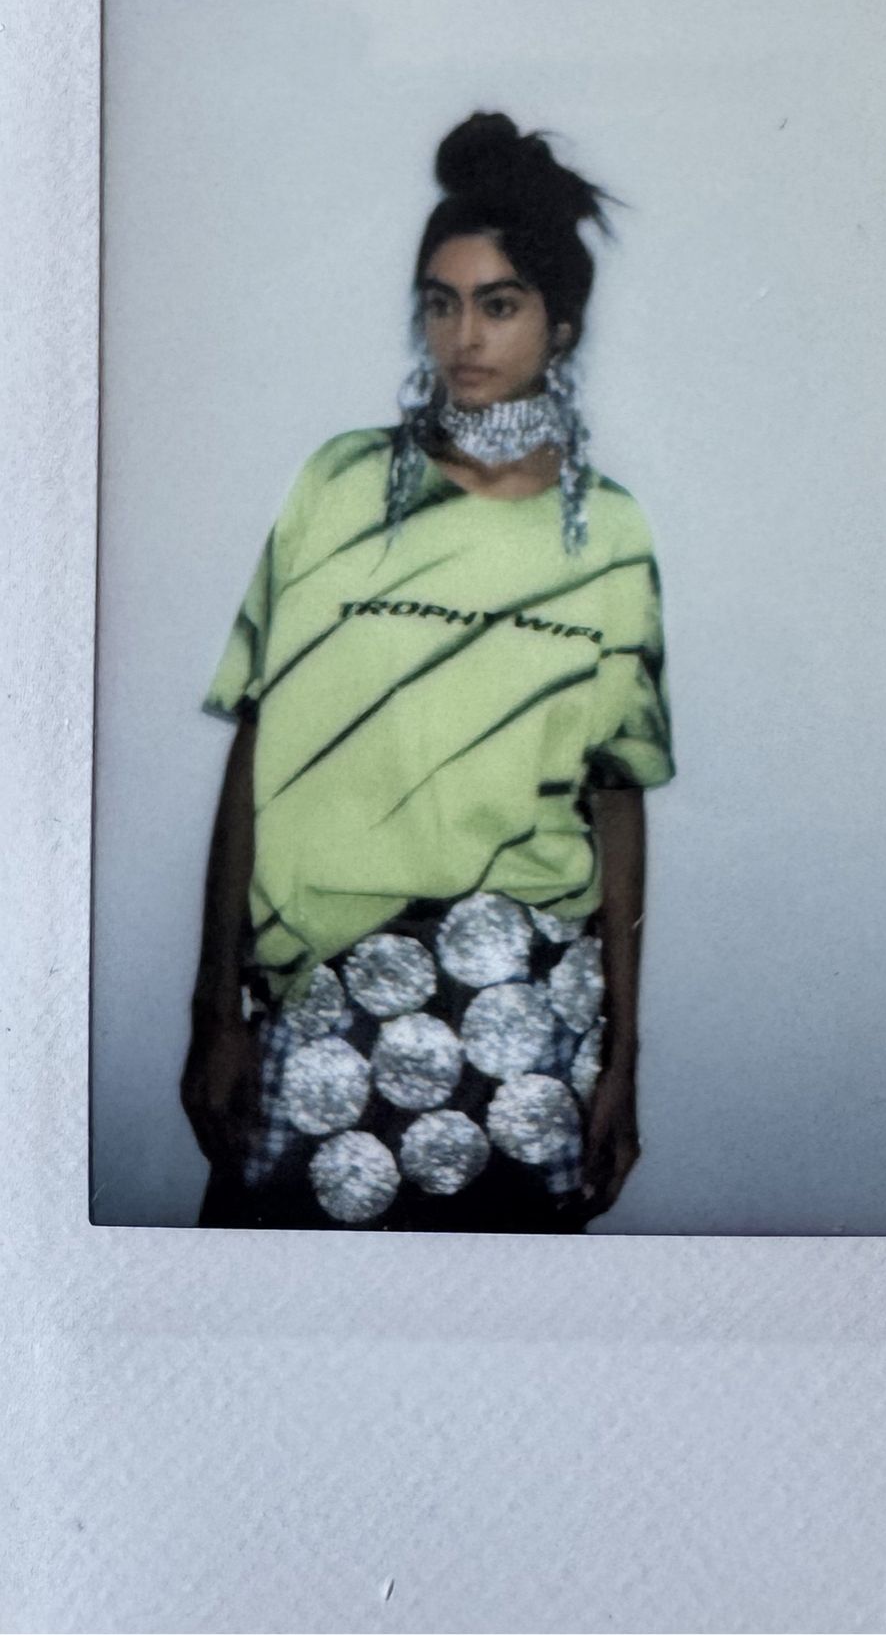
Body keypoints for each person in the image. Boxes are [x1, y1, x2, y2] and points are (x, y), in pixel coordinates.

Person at [181, 111, 675, 1230]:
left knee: (495, 1329)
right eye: (440, 302)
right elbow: (256, 744)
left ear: (560, 325)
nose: (464, 334)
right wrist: (213, 1009)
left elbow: (618, 799)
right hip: (316, 1002)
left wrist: (622, 1062)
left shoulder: (609, 536)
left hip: (523, 1028)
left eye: (498, 304)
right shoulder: (339, 486)